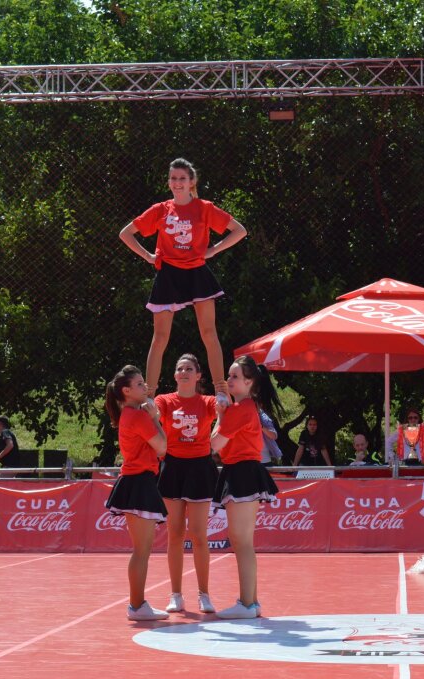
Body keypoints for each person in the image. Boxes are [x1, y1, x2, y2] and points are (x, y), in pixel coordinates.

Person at [119, 158, 248, 398]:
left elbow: (240, 231)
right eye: (173, 178)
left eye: (182, 178)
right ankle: (149, 395)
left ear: (191, 182)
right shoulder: (160, 209)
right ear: (169, 182)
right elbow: (125, 234)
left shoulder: (204, 208)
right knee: (160, 338)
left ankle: (221, 391)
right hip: (168, 274)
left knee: (209, 333)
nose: (177, 183)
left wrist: (213, 250)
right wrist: (148, 256)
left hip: (197, 273)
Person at [210, 356, 284, 620]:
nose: (228, 381)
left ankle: (247, 602)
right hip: (244, 471)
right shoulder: (245, 407)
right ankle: (250, 601)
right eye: (229, 376)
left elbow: (215, 445)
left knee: (241, 542)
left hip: (241, 472)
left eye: (234, 377)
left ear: (249, 382)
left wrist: (219, 416)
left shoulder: (240, 409)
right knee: (244, 542)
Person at [154, 354, 220, 615]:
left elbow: (227, 411)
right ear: (174, 375)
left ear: (198, 375)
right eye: (179, 368)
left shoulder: (208, 402)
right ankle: (176, 595)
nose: (184, 372)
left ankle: (204, 594)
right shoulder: (165, 400)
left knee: (199, 535)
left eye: (189, 368)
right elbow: (152, 413)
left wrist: (221, 427)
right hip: (173, 466)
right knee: (175, 534)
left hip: (200, 468)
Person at [103, 364, 169, 621]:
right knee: (142, 550)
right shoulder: (138, 416)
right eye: (140, 384)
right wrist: (155, 418)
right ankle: (137, 605)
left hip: (135, 480)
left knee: (141, 549)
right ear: (127, 391)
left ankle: (137, 604)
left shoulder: (128, 415)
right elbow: (162, 447)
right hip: (139, 481)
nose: (146, 387)